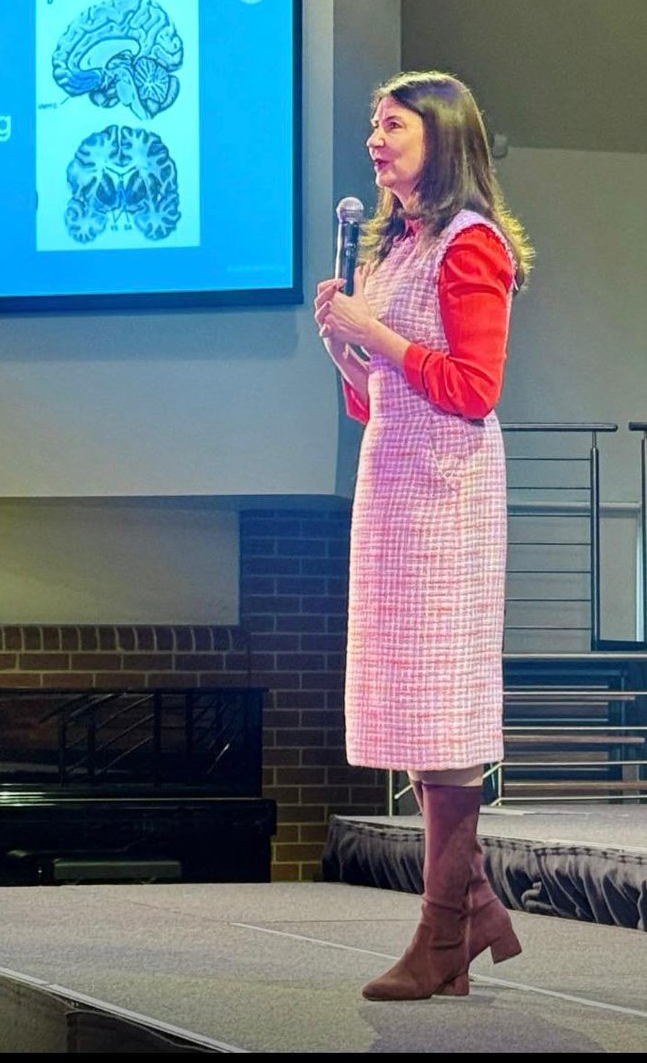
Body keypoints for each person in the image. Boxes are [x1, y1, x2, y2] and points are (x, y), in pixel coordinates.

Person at [313, 70, 534, 1002]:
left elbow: (473, 391)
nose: (374, 137)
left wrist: (379, 335)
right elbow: (382, 401)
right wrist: (345, 351)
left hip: (447, 498)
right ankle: (471, 902)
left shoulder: (470, 245)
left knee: (441, 709)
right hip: (398, 486)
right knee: (410, 701)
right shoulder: (399, 244)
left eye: (391, 124)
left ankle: (443, 928)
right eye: (373, 124)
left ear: (440, 137)